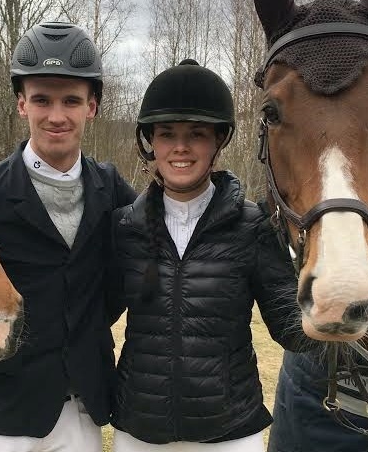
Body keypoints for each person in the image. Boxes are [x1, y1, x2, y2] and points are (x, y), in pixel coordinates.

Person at [0, 22, 137, 452]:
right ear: (21, 103)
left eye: (71, 100)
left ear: (92, 107)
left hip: (81, 411)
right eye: (42, 99)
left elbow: (129, 275)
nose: (57, 116)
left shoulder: (112, 190)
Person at [109, 59, 306, 451]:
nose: (180, 147)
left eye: (196, 134)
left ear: (218, 141)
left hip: (230, 432)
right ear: (152, 142)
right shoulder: (124, 227)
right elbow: (91, 313)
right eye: (167, 134)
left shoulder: (254, 227)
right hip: (140, 430)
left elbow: (292, 330)